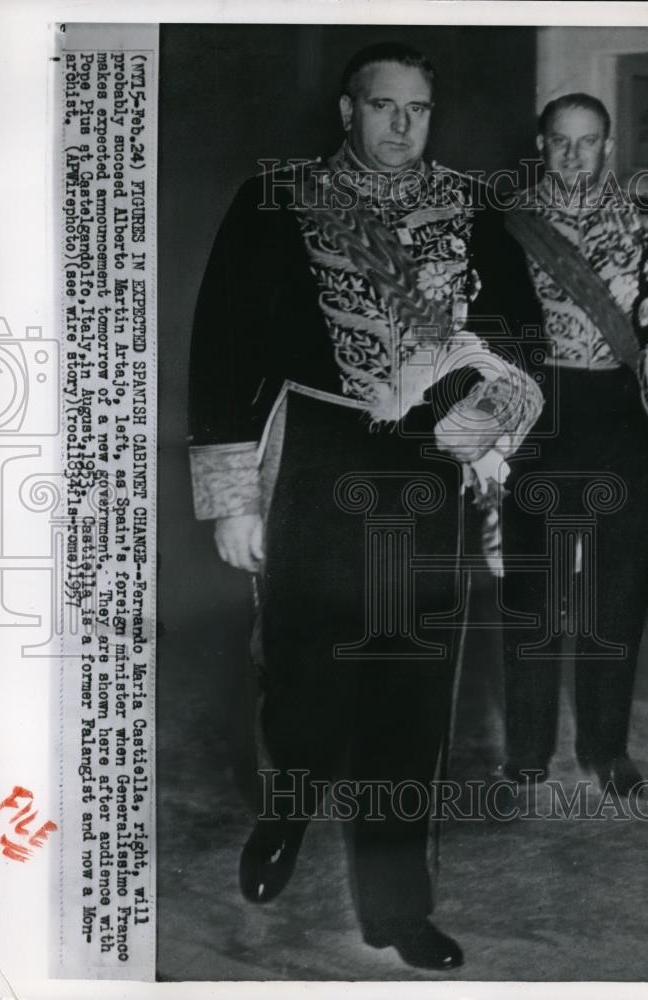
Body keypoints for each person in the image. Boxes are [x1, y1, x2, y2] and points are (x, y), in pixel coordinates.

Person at [187, 42, 543, 971]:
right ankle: (287, 807)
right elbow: (222, 350)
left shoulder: (470, 207)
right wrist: (232, 500)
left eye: (417, 111)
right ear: (348, 111)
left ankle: (396, 908)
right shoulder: (278, 199)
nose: (400, 125)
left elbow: (520, 335)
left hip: (429, 469)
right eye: (382, 106)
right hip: (314, 455)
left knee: (409, 692)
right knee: (303, 684)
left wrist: (488, 413)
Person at [500, 93, 648, 797]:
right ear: (541, 142)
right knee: (534, 593)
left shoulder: (645, 215)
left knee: (615, 591)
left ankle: (606, 748)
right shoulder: (507, 221)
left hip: (621, 416)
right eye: (560, 142)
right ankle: (526, 752)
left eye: (586, 142)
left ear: (606, 144)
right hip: (541, 414)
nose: (572, 156)